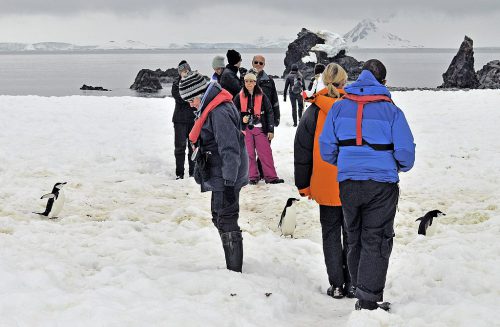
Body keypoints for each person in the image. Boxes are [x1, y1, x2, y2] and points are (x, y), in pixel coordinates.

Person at [319, 59, 416, 311]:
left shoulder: (339, 108)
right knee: (377, 238)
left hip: (349, 182)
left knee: (354, 237)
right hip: (381, 185)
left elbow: (326, 148)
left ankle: (361, 293)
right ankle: (368, 301)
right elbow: (406, 154)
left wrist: (347, 163)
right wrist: (394, 166)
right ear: (383, 81)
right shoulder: (392, 111)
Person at [179, 70, 248, 273]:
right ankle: (232, 264)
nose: (191, 104)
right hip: (222, 172)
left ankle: (234, 270)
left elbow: (229, 149)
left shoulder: (218, 111)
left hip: (227, 174)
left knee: (226, 218)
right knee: (219, 215)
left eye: (191, 100)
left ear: (200, 93)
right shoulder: (211, 107)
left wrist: (228, 183)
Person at [294, 63, 351, 299]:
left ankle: (337, 285)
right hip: (350, 181)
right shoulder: (352, 108)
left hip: (324, 183)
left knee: (330, 234)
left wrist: (303, 184)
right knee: (352, 234)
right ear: (344, 83)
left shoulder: (314, 111)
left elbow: (302, 150)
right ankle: (355, 283)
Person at [233, 69, 284, 185]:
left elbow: (270, 112)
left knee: (265, 153)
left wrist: (271, 129)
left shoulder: (262, 96)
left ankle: (271, 177)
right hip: (246, 130)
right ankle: (252, 177)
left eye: (251, 81)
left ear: (255, 82)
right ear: (244, 83)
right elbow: (233, 113)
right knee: (249, 154)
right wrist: (242, 119)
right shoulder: (238, 97)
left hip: (260, 129)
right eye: (246, 81)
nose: (249, 83)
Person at [171, 60, 195, 179]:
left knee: (193, 147)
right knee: (180, 148)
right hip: (179, 120)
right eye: (182, 71)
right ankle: (179, 173)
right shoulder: (176, 84)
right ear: (179, 73)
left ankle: (193, 173)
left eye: (186, 71)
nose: (185, 73)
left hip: (193, 120)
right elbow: (180, 98)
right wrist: (190, 99)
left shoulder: (195, 82)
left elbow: (199, 96)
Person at [252, 55, 280, 126]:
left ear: (264, 65)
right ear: (252, 63)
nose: (258, 64)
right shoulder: (245, 79)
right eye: (256, 62)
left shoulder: (269, 81)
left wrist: (277, 118)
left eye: (261, 63)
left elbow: (274, 100)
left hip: (265, 119)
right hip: (250, 120)